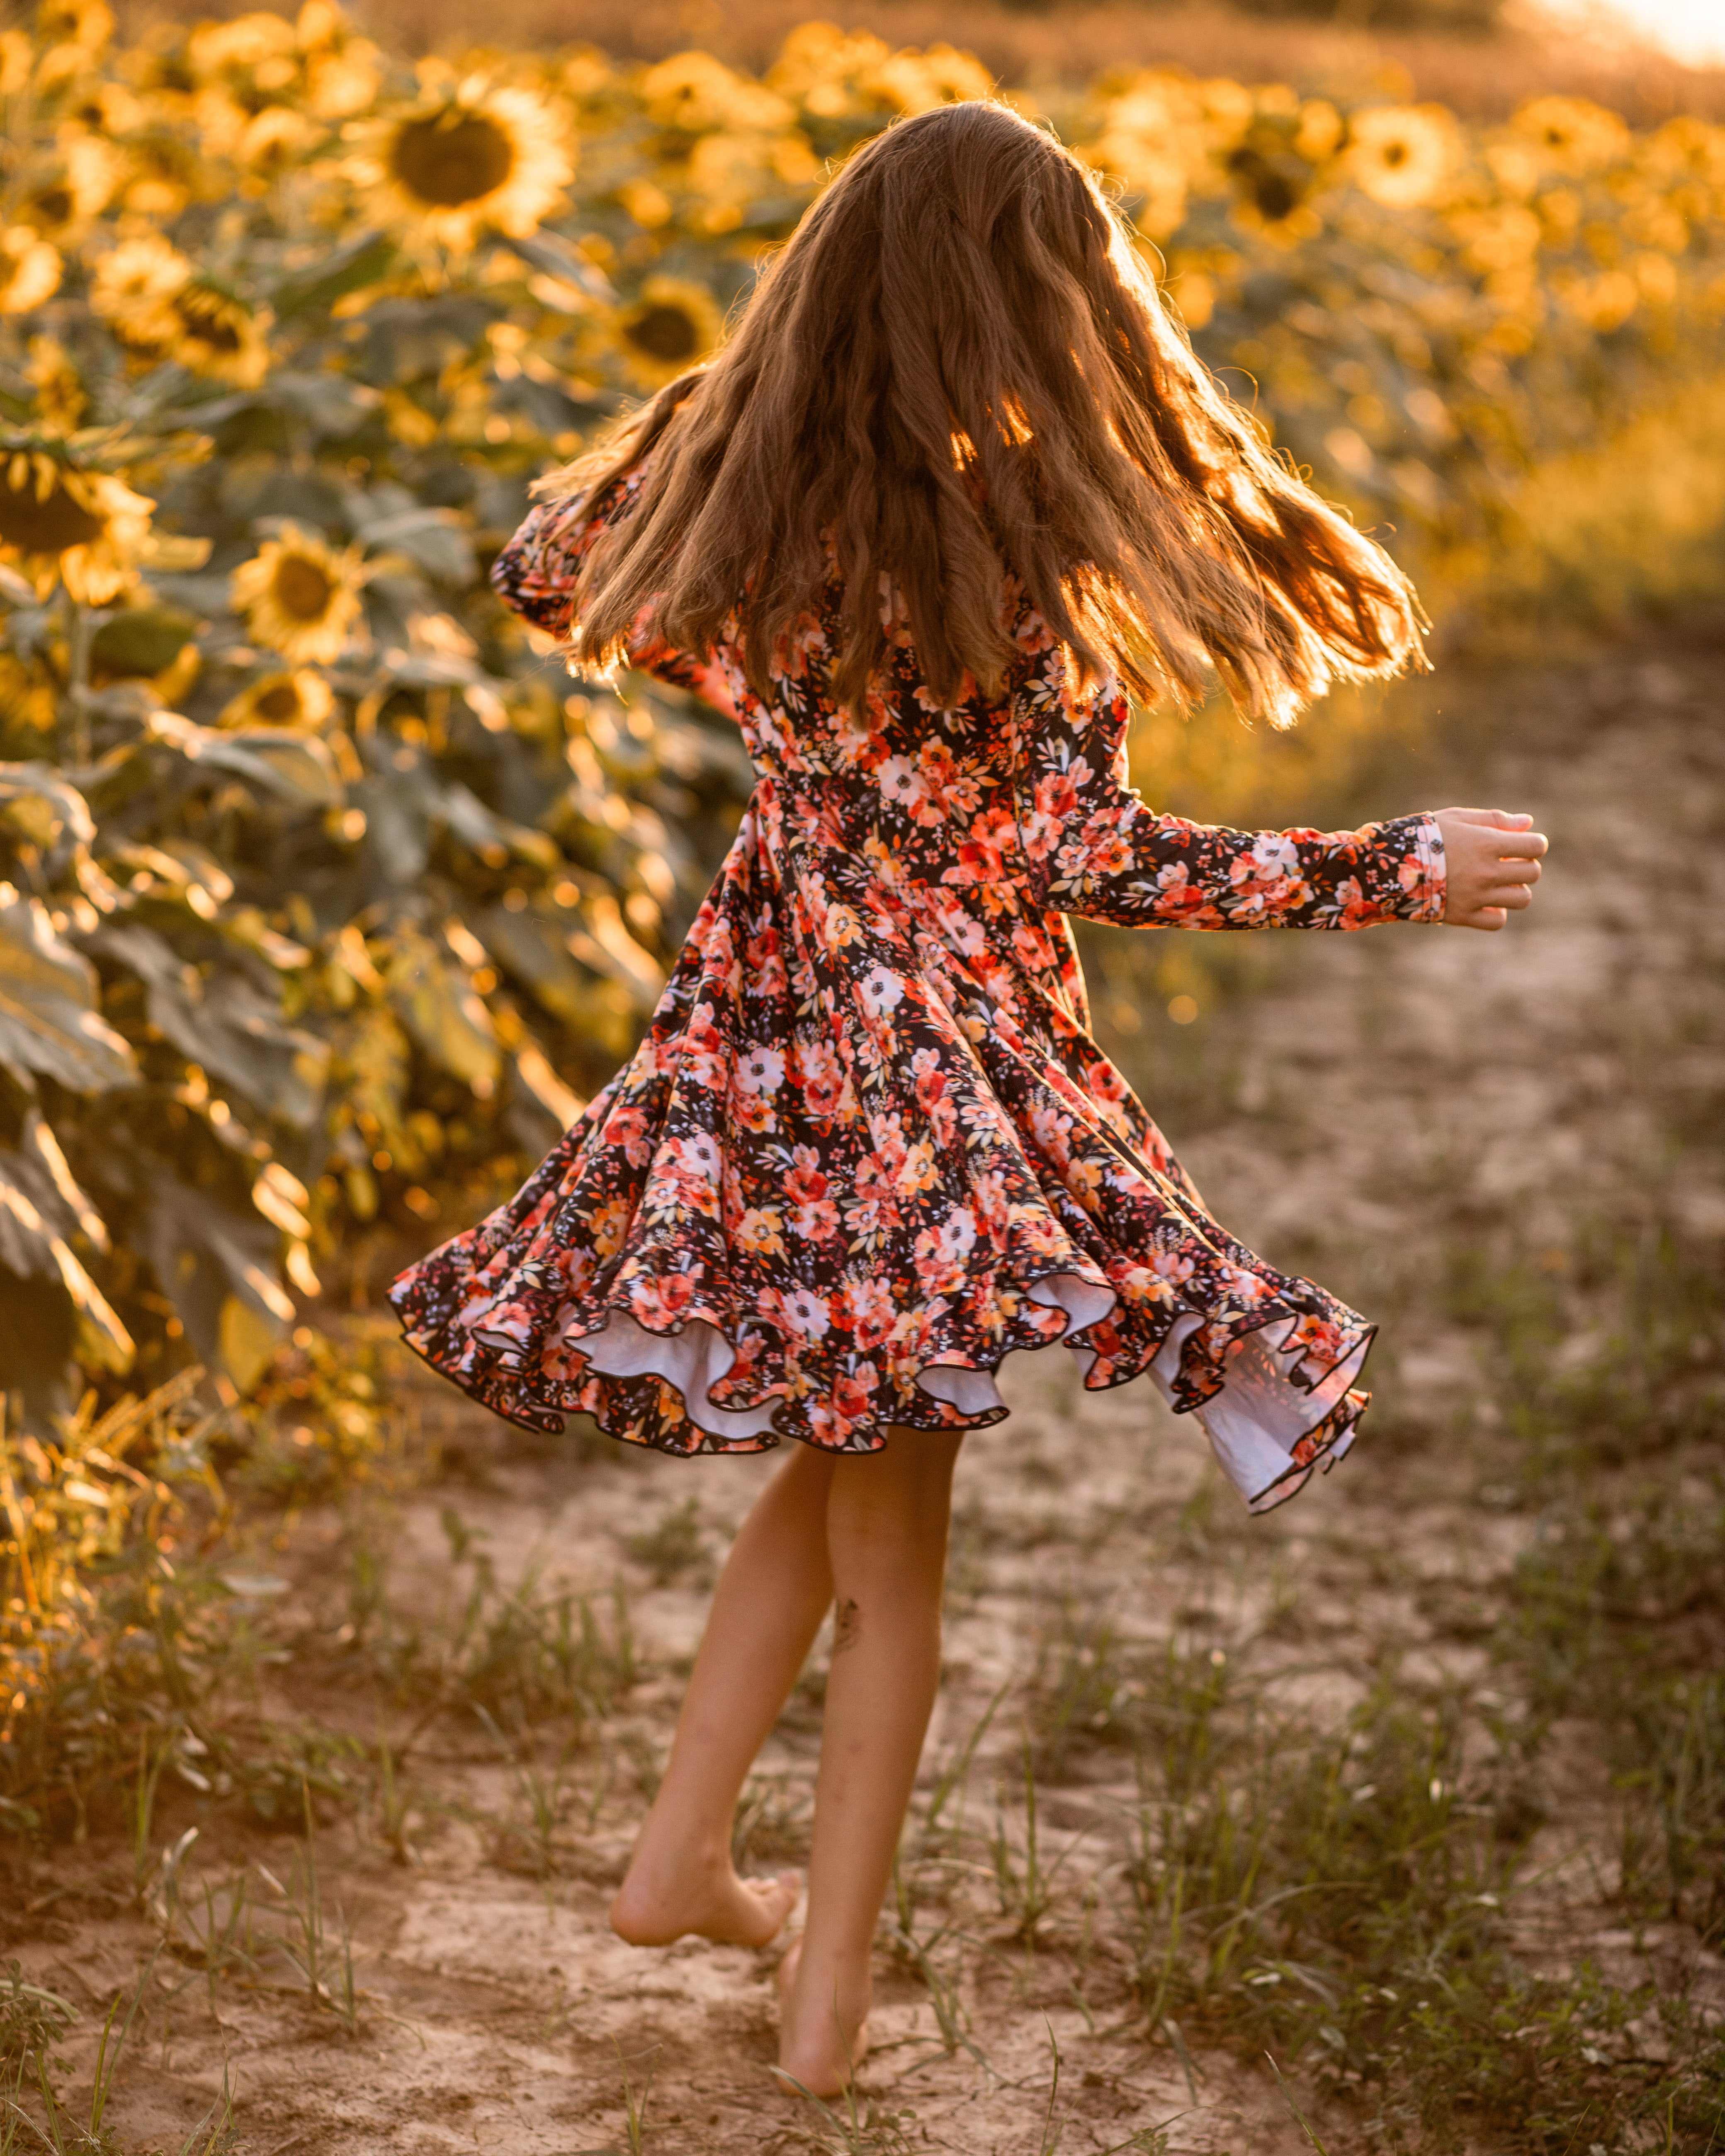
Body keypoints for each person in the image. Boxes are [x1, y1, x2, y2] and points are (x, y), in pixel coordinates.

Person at [389, 99, 1545, 2098]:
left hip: (757, 1067)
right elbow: (1101, 859)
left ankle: (681, 1862)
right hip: (932, 1110)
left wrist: (739, 404)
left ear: (837, 301)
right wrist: (1389, 866)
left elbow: (541, 559)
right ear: (1046, 316)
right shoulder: (1014, 571)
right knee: (896, 1544)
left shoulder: (749, 526)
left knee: (838, 1462)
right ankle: (825, 2007)